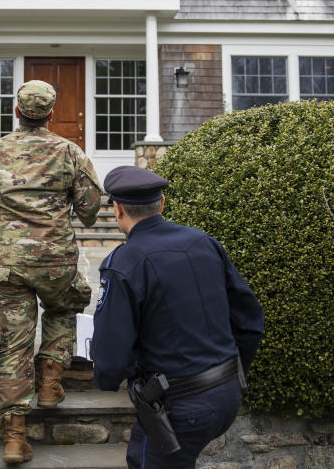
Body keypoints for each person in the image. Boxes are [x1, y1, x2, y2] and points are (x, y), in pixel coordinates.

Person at [92, 165, 264, 469]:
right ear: (161, 204)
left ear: (117, 209)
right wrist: (234, 376)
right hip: (227, 392)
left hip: (182, 406)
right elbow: (250, 319)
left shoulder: (124, 262)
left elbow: (111, 354)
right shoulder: (204, 242)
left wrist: (106, 378)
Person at [0, 79, 103, 465]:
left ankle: (14, 438)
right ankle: (50, 382)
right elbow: (92, 207)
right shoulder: (68, 152)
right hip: (55, 260)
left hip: (8, 263)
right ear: (50, 113)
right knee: (64, 307)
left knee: (12, 345)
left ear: (17, 112)